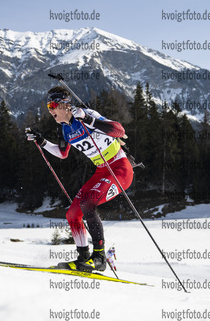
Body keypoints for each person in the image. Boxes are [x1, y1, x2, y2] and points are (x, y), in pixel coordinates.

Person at [26, 86, 134, 271]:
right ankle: (83, 257)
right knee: (72, 214)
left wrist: (89, 119)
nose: (50, 110)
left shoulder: (85, 115)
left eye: (52, 105)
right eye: (48, 106)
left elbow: (118, 130)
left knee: (89, 203)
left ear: (64, 105)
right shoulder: (64, 130)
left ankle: (99, 258)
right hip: (102, 170)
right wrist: (41, 141)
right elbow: (61, 154)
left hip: (119, 168)